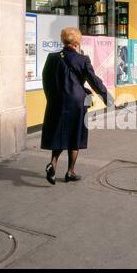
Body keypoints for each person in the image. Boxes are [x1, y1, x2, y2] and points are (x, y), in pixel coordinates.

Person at [41, 27, 114, 185]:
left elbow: (46, 80)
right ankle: (70, 172)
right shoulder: (82, 59)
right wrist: (107, 98)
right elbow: (94, 81)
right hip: (77, 103)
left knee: (60, 134)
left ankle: (52, 165)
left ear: (63, 40)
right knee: (75, 135)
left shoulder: (52, 57)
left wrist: (51, 98)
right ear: (77, 42)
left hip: (58, 102)